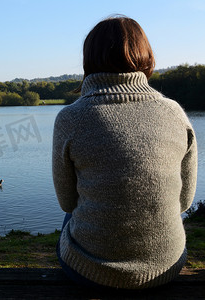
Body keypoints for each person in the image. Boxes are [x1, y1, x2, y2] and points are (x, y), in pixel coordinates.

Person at [52, 15, 197, 289]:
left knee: (71, 215)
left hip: (91, 273)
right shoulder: (175, 113)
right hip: (167, 267)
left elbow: (67, 202)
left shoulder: (71, 118)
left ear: (89, 59)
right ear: (147, 56)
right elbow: (185, 201)